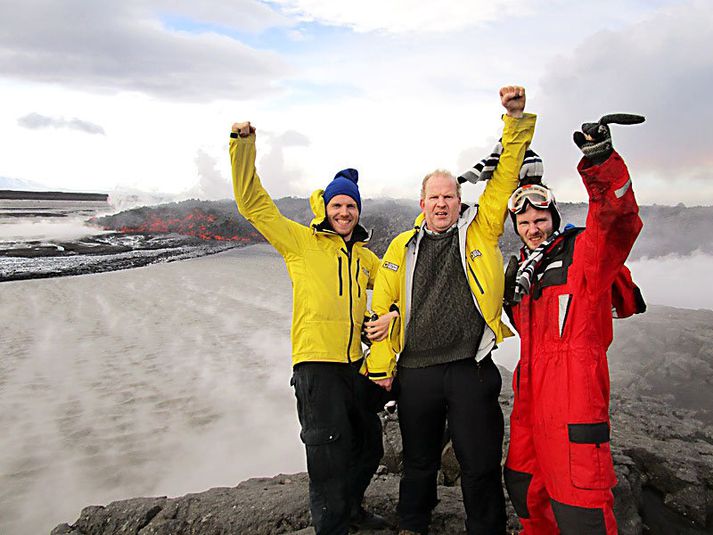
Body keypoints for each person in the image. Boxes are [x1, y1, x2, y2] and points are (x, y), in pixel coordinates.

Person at [364, 86, 537, 535]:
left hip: (470, 368)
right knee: (418, 462)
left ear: (458, 201)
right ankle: (413, 525)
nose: (441, 204)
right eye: (433, 198)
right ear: (421, 204)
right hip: (416, 372)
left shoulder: (481, 230)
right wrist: (383, 367)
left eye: (448, 196)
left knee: (479, 463)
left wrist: (515, 121)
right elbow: (381, 309)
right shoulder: (401, 247)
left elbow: (505, 177)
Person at [229, 122, 395, 535]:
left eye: (351, 207)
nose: (344, 213)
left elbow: (396, 286)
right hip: (315, 367)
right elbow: (253, 205)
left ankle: (351, 510)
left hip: (353, 365)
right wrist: (243, 144)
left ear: (359, 211)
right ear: (326, 208)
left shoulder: (362, 256)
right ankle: (331, 526)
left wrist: (391, 315)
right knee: (328, 455)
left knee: (369, 442)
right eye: (337, 206)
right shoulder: (301, 243)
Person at [502, 118, 644, 534]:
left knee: (581, 506)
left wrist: (600, 162)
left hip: (574, 397)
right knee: (525, 487)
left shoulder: (583, 252)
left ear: (553, 216)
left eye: (540, 218)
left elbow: (617, 220)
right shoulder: (522, 277)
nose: (533, 228)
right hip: (531, 396)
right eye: (524, 223)